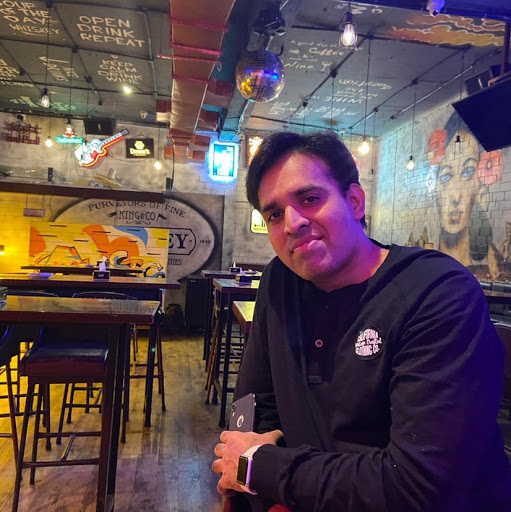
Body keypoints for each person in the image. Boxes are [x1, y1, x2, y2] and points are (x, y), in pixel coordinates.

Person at [212, 131, 511, 511]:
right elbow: (254, 410)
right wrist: (255, 481)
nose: (292, 223)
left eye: (310, 199)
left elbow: (420, 487)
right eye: (274, 214)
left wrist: (263, 467)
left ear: (355, 201)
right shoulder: (279, 280)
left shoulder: (437, 292)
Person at [429, 114, 503, 280]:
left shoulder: (489, 271)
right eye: (446, 176)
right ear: (435, 190)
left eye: (468, 172)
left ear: (480, 187)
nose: (456, 196)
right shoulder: (425, 266)